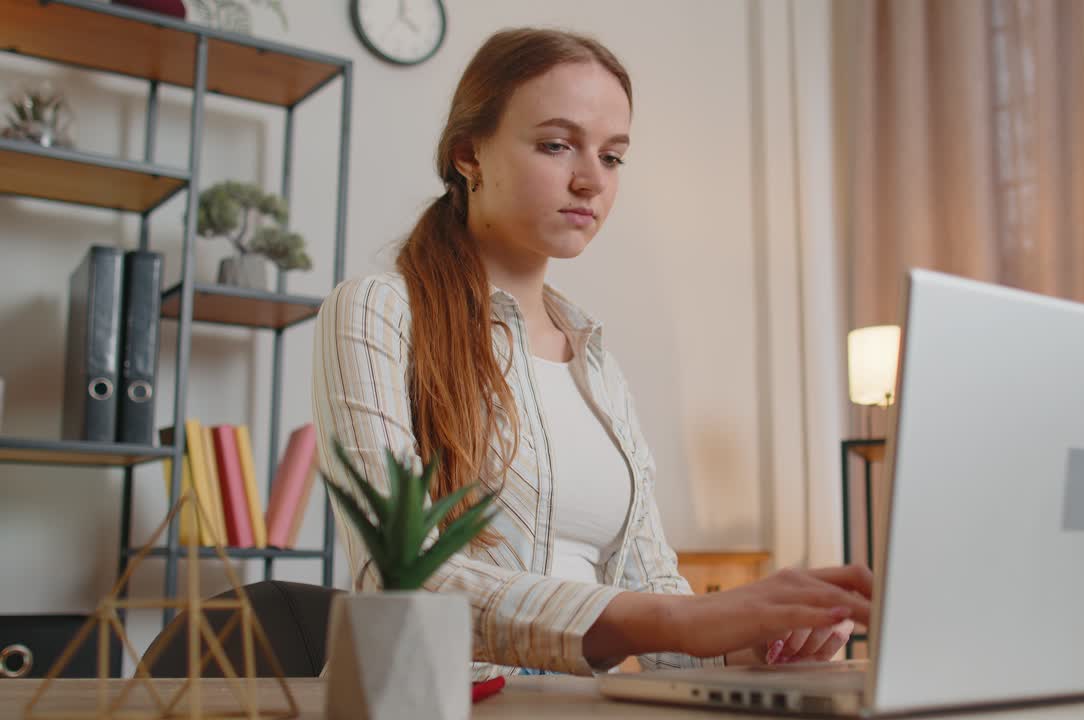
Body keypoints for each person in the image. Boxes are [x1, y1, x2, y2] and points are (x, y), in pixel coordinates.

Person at [312, 27, 872, 680]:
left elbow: (653, 590)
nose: (590, 181)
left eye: (612, 158)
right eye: (557, 145)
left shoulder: (594, 362)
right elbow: (402, 580)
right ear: (469, 154)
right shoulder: (380, 311)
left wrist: (750, 637)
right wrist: (678, 623)